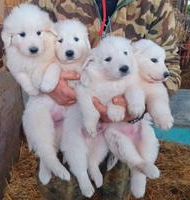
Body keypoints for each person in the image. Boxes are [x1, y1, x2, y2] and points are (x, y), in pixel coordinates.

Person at [28, 0, 181, 198]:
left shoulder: (155, 5)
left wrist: (137, 106)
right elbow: (17, 46)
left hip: (121, 133)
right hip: (64, 125)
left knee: (114, 192)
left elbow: (170, 68)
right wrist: (47, 83)